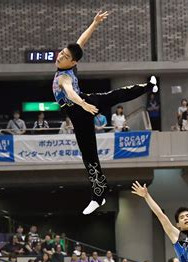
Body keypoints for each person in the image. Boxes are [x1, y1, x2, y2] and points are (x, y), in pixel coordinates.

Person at [53, 11, 157, 215]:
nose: (60, 57)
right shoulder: (64, 72)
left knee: (116, 94)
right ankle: (98, 196)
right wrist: (94, 22)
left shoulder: (65, 75)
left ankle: (149, 86)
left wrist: (94, 24)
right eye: (61, 54)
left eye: (65, 56)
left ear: (73, 62)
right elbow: (70, 89)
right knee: (90, 156)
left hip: (83, 105)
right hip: (81, 110)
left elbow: (71, 92)